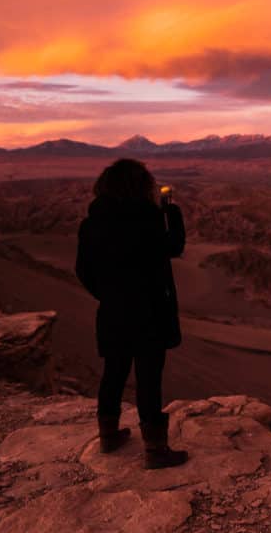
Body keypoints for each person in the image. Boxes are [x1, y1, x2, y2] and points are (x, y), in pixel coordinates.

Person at [75, 158, 189, 470]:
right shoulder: (147, 219)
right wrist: (172, 214)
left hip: (113, 313)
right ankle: (155, 449)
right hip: (149, 313)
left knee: (114, 372)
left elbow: (83, 271)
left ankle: (108, 435)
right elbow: (174, 246)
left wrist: (111, 296)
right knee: (148, 378)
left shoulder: (91, 224)